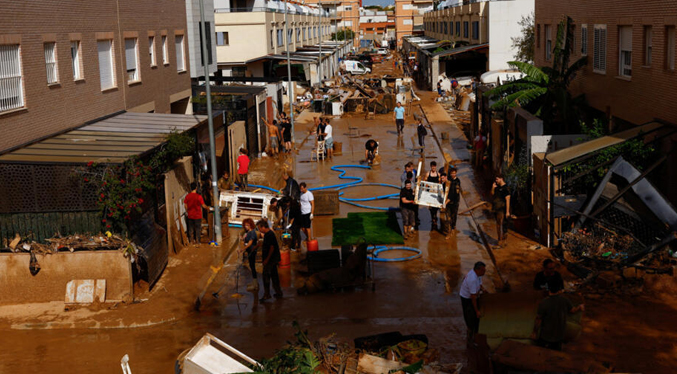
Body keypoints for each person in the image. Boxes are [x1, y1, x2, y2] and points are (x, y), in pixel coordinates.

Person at [531, 282, 585, 351]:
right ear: (559, 290)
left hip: (545, 336)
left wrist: (534, 332)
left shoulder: (544, 303)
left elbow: (538, 319)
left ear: (548, 290)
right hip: (559, 336)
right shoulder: (564, 300)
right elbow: (572, 310)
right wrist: (579, 307)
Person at [256, 219, 283, 301]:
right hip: (273, 259)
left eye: (259, 228)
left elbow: (272, 248)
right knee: (274, 275)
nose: (259, 230)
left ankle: (267, 294)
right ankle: (278, 292)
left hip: (271, 259)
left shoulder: (269, 235)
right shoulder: (268, 234)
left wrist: (267, 259)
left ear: (263, 227)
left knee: (266, 276)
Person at [460, 262, 487, 342]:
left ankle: (475, 330)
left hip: (472, 294)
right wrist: (477, 311)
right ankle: (470, 334)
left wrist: (483, 289)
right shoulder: (472, 279)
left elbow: (480, 283)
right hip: (467, 298)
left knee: (475, 317)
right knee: (470, 316)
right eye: (483, 270)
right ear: (478, 270)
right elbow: (473, 297)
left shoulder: (477, 275)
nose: (484, 272)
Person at [239, 218, 259, 291]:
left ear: (251, 225)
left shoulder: (252, 232)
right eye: (245, 225)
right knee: (251, 266)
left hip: (252, 251)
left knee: (252, 266)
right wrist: (242, 239)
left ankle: (255, 284)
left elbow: (250, 243)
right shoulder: (248, 232)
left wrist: (242, 249)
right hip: (249, 250)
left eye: (247, 225)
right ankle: (254, 282)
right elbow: (246, 240)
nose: (246, 227)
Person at [492, 175, 512, 245]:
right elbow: (492, 194)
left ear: (501, 179)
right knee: (498, 225)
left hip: (502, 209)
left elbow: (508, 200)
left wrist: (507, 211)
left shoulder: (506, 189)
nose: (496, 181)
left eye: (497, 179)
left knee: (503, 225)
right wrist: (493, 188)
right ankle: (499, 240)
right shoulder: (497, 187)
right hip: (496, 209)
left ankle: (503, 241)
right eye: (496, 179)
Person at [444, 168, 461, 239]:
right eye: (452, 173)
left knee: (453, 217)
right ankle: (449, 232)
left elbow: (455, 194)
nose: (453, 174)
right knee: (448, 218)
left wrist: (448, 200)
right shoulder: (448, 180)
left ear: (456, 173)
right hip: (448, 202)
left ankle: (453, 227)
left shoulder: (457, 181)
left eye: (454, 173)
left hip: (454, 202)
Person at [425, 161, 440, 231]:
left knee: (436, 207)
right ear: (430, 167)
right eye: (432, 166)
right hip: (430, 193)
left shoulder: (438, 174)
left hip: (436, 192)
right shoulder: (428, 174)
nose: (433, 168)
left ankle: (435, 217)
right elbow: (425, 182)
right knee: (431, 207)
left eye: (434, 166)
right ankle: (433, 218)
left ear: (436, 167)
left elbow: (440, 183)